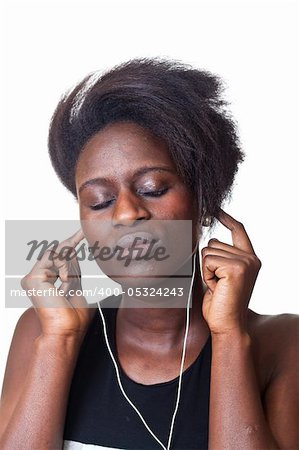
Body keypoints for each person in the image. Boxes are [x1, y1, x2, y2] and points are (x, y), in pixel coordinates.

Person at [0, 57, 298, 450]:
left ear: (204, 202)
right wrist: (60, 340)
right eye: (99, 200)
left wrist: (228, 336)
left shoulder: (283, 343)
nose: (125, 213)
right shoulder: (41, 330)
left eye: (153, 188)